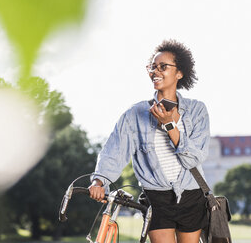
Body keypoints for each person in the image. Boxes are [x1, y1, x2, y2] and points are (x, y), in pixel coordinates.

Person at [89, 39, 210, 243]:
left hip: (191, 194)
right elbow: (114, 151)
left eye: (163, 67)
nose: (155, 71)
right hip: (156, 197)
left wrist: (169, 125)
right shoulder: (135, 114)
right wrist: (99, 181)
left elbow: (193, 159)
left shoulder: (197, 111)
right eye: (152, 67)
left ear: (179, 73)